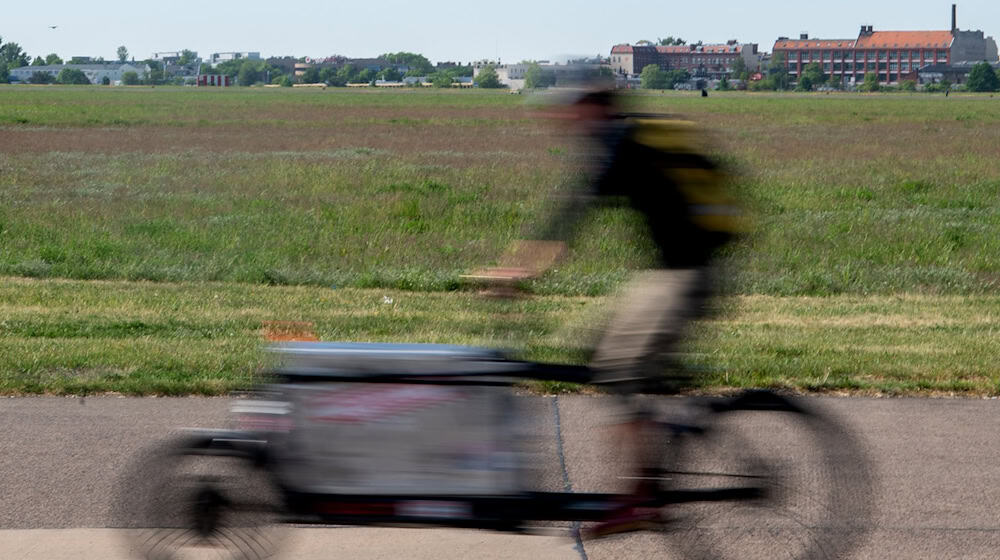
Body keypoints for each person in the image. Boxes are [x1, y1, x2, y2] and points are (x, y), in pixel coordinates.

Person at [477, 88, 744, 535]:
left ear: (594, 107)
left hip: (688, 276)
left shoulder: (623, 145)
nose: (565, 118)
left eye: (572, 109)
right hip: (670, 272)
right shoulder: (629, 138)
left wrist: (518, 272)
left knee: (620, 366)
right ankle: (657, 421)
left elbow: (571, 217)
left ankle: (640, 499)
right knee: (598, 350)